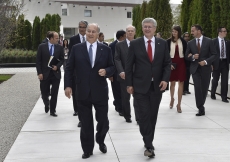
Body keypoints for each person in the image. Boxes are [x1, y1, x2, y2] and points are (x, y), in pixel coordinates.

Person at [64, 23, 115, 159]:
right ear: (85, 32)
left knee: (103, 121)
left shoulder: (106, 49)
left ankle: (100, 139)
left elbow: (112, 67)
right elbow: (69, 68)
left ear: (98, 34)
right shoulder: (76, 48)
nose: (90, 33)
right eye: (88, 31)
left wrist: (106, 71)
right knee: (86, 124)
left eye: (94, 31)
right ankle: (87, 149)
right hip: (82, 91)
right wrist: (68, 86)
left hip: (100, 91)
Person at [125, 18, 171, 158]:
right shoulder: (135, 44)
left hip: (156, 86)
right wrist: (129, 84)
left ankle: (148, 140)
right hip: (139, 86)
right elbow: (128, 66)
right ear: (142, 28)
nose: (147, 29)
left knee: (152, 116)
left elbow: (167, 64)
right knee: (144, 115)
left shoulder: (162, 44)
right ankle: (149, 145)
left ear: (155, 28)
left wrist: (165, 79)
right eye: (145, 26)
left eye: (150, 27)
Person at [185, 24, 217, 116]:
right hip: (195, 69)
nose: (191, 33)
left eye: (193, 31)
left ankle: (201, 104)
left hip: (206, 69)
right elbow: (186, 56)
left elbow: (214, 54)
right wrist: (193, 57)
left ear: (198, 31)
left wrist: (206, 62)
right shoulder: (190, 43)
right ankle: (200, 107)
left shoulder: (209, 41)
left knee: (204, 88)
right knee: (197, 88)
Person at [114, 25, 139, 123]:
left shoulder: (140, 44)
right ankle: (127, 116)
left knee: (137, 98)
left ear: (135, 32)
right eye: (128, 31)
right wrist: (121, 71)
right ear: (126, 33)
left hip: (137, 75)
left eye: (132, 31)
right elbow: (117, 58)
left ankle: (139, 118)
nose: (130, 32)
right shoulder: (119, 45)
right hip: (124, 75)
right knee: (125, 98)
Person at [36, 31, 64, 117]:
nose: (58, 40)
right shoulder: (41, 47)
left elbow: (62, 59)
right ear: (51, 38)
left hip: (55, 74)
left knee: (54, 93)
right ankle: (46, 103)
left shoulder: (59, 47)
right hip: (45, 74)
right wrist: (39, 73)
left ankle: (53, 110)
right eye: (56, 38)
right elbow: (38, 61)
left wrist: (58, 66)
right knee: (44, 92)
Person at [68, 20, 88, 127]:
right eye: (80, 27)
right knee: (77, 94)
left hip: (89, 73)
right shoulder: (73, 39)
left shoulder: (91, 38)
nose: (82, 29)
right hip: (77, 73)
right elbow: (71, 57)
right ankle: (78, 113)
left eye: (84, 27)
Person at [167, 26, 187, 113]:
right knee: (172, 83)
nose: (174, 33)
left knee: (181, 82)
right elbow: (165, 54)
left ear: (179, 32)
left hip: (181, 63)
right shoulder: (168, 41)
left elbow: (186, 52)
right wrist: (168, 64)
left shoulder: (183, 41)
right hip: (172, 63)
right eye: (173, 31)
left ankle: (179, 104)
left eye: (175, 31)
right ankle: (172, 99)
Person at [109, 30, 126, 116]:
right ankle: (120, 108)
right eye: (125, 35)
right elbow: (110, 60)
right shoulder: (112, 45)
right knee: (116, 91)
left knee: (123, 91)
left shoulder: (126, 44)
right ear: (121, 37)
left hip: (124, 72)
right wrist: (110, 74)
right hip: (115, 73)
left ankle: (118, 104)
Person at [211, 27, 230, 103]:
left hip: (225, 63)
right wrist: (211, 64)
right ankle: (213, 93)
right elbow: (211, 54)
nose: (226, 32)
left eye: (226, 31)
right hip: (216, 62)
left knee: (225, 80)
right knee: (215, 79)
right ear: (219, 32)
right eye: (224, 31)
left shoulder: (228, 42)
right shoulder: (213, 41)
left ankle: (224, 97)